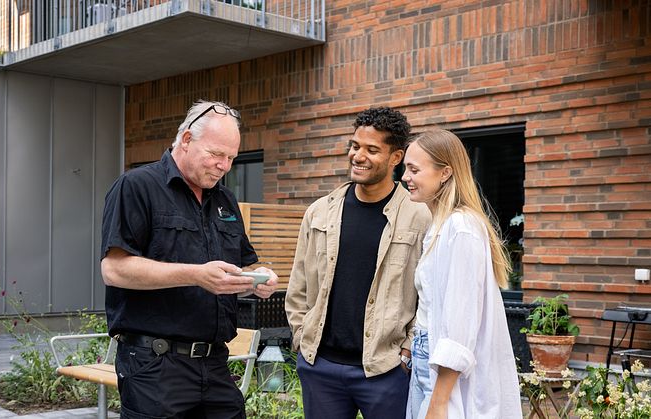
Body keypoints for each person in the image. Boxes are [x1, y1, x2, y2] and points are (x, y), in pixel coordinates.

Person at [100, 100, 278, 419]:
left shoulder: (224, 199)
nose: (224, 166)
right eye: (216, 154)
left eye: (231, 158)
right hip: (155, 367)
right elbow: (114, 269)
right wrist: (196, 275)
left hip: (215, 364)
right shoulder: (137, 186)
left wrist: (256, 279)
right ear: (185, 140)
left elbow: (240, 267)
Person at [285, 107, 431, 418]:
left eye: (371, 149)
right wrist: (300, 335)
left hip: (386, 370)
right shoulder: (319, 213)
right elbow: (298, 284)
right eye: (355, 146)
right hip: (320, 368)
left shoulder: (420, 217)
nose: (358, 156)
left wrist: (407, 350)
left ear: (396, 158)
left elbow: (429, 295)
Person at [402, 129, 522, 419]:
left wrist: (440, 402)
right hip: (425, 356)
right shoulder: (438, 226)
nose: (405, 177)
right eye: (405, 168)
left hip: (445, 374)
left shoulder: (462, 228)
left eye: (414, 169)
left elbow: (460, 326)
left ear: (445, 173)